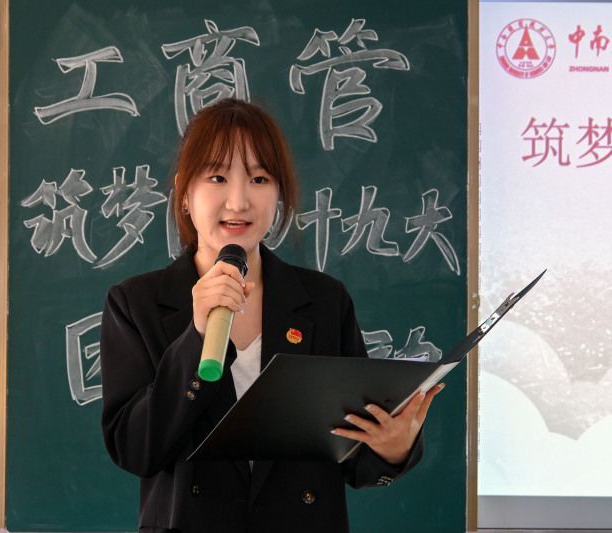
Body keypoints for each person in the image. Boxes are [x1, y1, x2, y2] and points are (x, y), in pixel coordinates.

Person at [100, 98, 443, 533]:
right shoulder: (137, 303)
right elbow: (134, 450)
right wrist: (196, 336)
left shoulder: (324, 300)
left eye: (259, 179)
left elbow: (353, 461)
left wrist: (393, 448)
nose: (238, 201)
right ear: (185, 192)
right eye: (217, 177)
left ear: (278, 193)